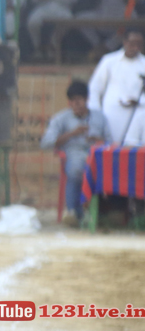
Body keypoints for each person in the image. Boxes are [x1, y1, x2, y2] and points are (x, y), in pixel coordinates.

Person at [41, 79, 109, 226]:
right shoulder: (60, 118)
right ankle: (73, 212)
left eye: (79, 100)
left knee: (108, 172)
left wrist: (99, 140)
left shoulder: (100, 117)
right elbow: (45, 143)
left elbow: (111, 142)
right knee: (77, 169)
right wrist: (72, 133)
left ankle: (103, 214)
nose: (76, 104)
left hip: (97, 155)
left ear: (87, 99)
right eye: (72, 101)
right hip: (73, 153)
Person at [86, 28, 145, 145]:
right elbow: (95, 88)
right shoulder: (109, 61)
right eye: (132, 44)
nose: (135, 48)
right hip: (112, 114)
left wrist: (140, 101)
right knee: (111, 147)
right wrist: (96, 114)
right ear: (125, 42)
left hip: (138, 113)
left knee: (134, 148)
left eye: (139, 44)